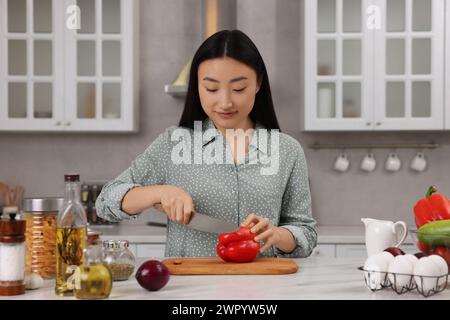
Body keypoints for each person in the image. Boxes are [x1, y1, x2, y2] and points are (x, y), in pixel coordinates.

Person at [96, 30, 317, 258]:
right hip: (189, 288)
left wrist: (277, 235)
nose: (225, 102)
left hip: (262, 288)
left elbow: (306, 233)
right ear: (197, 87)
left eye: (239, 89)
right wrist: (159, 192)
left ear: (259, 83)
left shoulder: (287, 150)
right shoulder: (173, 144)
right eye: (211, 89)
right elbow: (105, 201)